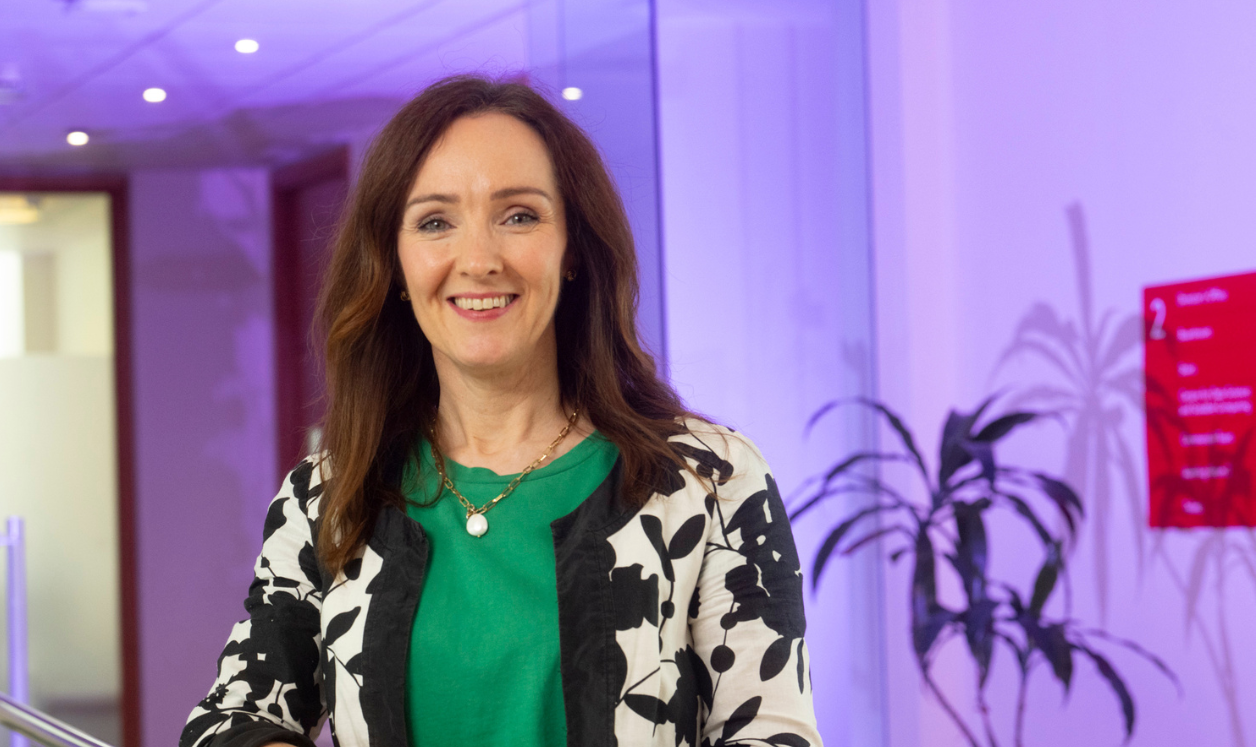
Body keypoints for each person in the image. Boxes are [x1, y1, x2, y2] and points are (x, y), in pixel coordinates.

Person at [181, 75, 821, 747]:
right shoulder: (330, 495)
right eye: (435, 222)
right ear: (394, 265)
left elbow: (775, 736)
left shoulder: (708, 482)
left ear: (572, 248)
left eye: (519, 215)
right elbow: (230, 720)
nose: (479, 259)